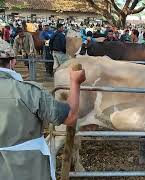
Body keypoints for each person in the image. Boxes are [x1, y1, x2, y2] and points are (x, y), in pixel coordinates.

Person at [0, 39, 86, 180]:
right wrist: (75, 83)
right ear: (13, 62)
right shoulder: (28, 92)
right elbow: (69, 117)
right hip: (26, 168)